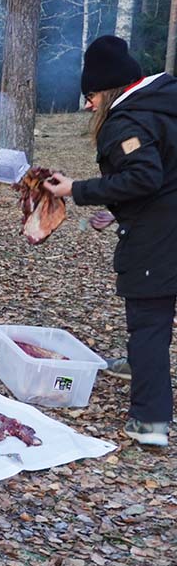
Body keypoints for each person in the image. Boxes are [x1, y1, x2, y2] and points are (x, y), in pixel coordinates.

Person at [43, 35, 177, 447]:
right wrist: (117, 208)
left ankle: (150, 423)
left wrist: (76, 190)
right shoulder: (163, 105)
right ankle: (140, 366)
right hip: (164, 222)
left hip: (162, 236)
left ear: (109, 89)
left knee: (149, 323)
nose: (88, 105)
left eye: (92, 95)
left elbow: (143, 176)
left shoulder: (128, 120)